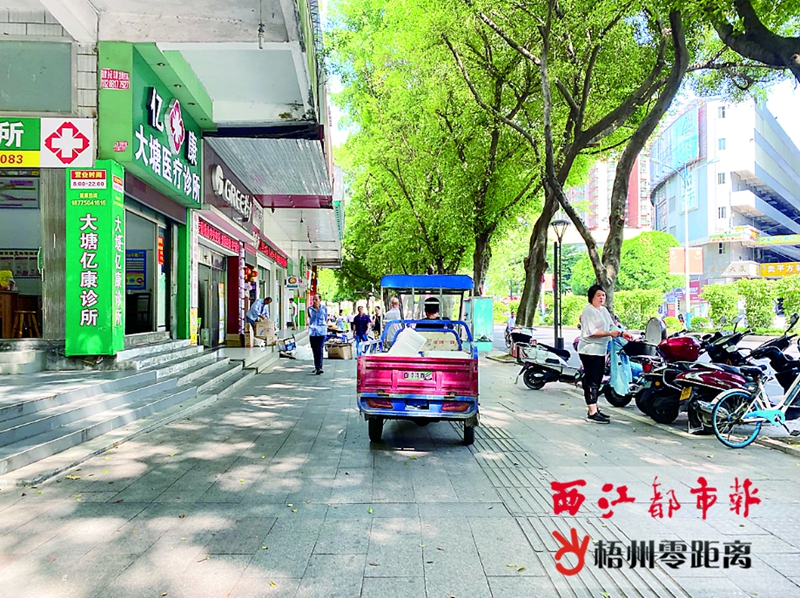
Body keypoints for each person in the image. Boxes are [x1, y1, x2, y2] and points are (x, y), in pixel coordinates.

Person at [577, 284, 631, 424]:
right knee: (592, 380)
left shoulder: (603, 310)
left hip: (600, 350)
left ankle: (594, 408)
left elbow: (611, 325)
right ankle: (592, 412)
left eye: (603, 295)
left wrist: (622, 333)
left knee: (597, 379)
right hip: (589, 350)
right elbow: (591, 332)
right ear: (592, 297)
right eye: (598, 295)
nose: (601, 298)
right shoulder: (589, 310)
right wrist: (609, 333)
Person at [307, 295, 329, 375]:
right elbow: (310, 318)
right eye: (314, 299)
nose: (314, 301)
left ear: (320, 300)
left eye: (316, 299)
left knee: (319, 349)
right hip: (312, 332)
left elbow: (325, 318)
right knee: (314, 350)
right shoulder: (309, 309)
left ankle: (319, 367)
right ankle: (317, 366)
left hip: (321, 332)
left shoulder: (324, 309)